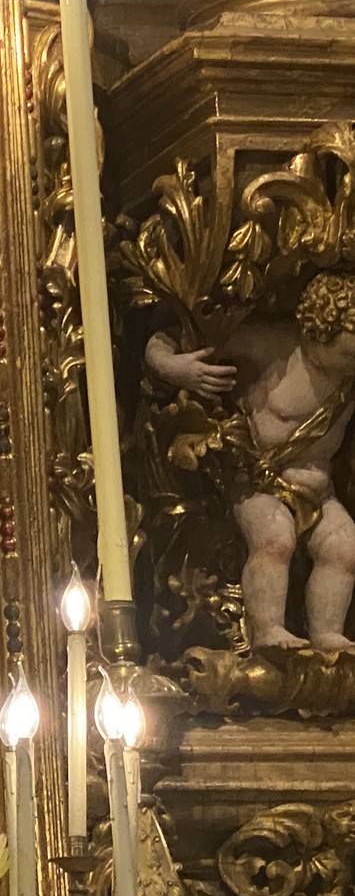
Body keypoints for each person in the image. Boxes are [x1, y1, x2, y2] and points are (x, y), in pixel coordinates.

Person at [147, 272, 355, 651]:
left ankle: (327, 636)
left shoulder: (348, 378)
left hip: (320, 488)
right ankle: (268, 631)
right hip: (259, 480)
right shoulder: (271, 346)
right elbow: (175, 334)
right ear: (317, 333)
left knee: (345, 548)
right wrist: (172, 367)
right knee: (275, 539)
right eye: (349, 354)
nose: (352, 365)